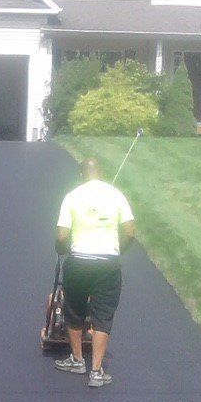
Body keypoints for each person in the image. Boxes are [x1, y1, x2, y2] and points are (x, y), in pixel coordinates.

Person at [54, 157, 135, 387]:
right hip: (107, 261)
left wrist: (61, 249)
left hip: (79, 261)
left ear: (81, 175)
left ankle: (78, 360)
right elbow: (130, 232)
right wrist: (117, 250)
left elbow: (62, 236)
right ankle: (97, 371)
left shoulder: (72, 196)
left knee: (74, 309)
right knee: (103, 314)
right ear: (102, 173)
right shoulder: (116, 195)